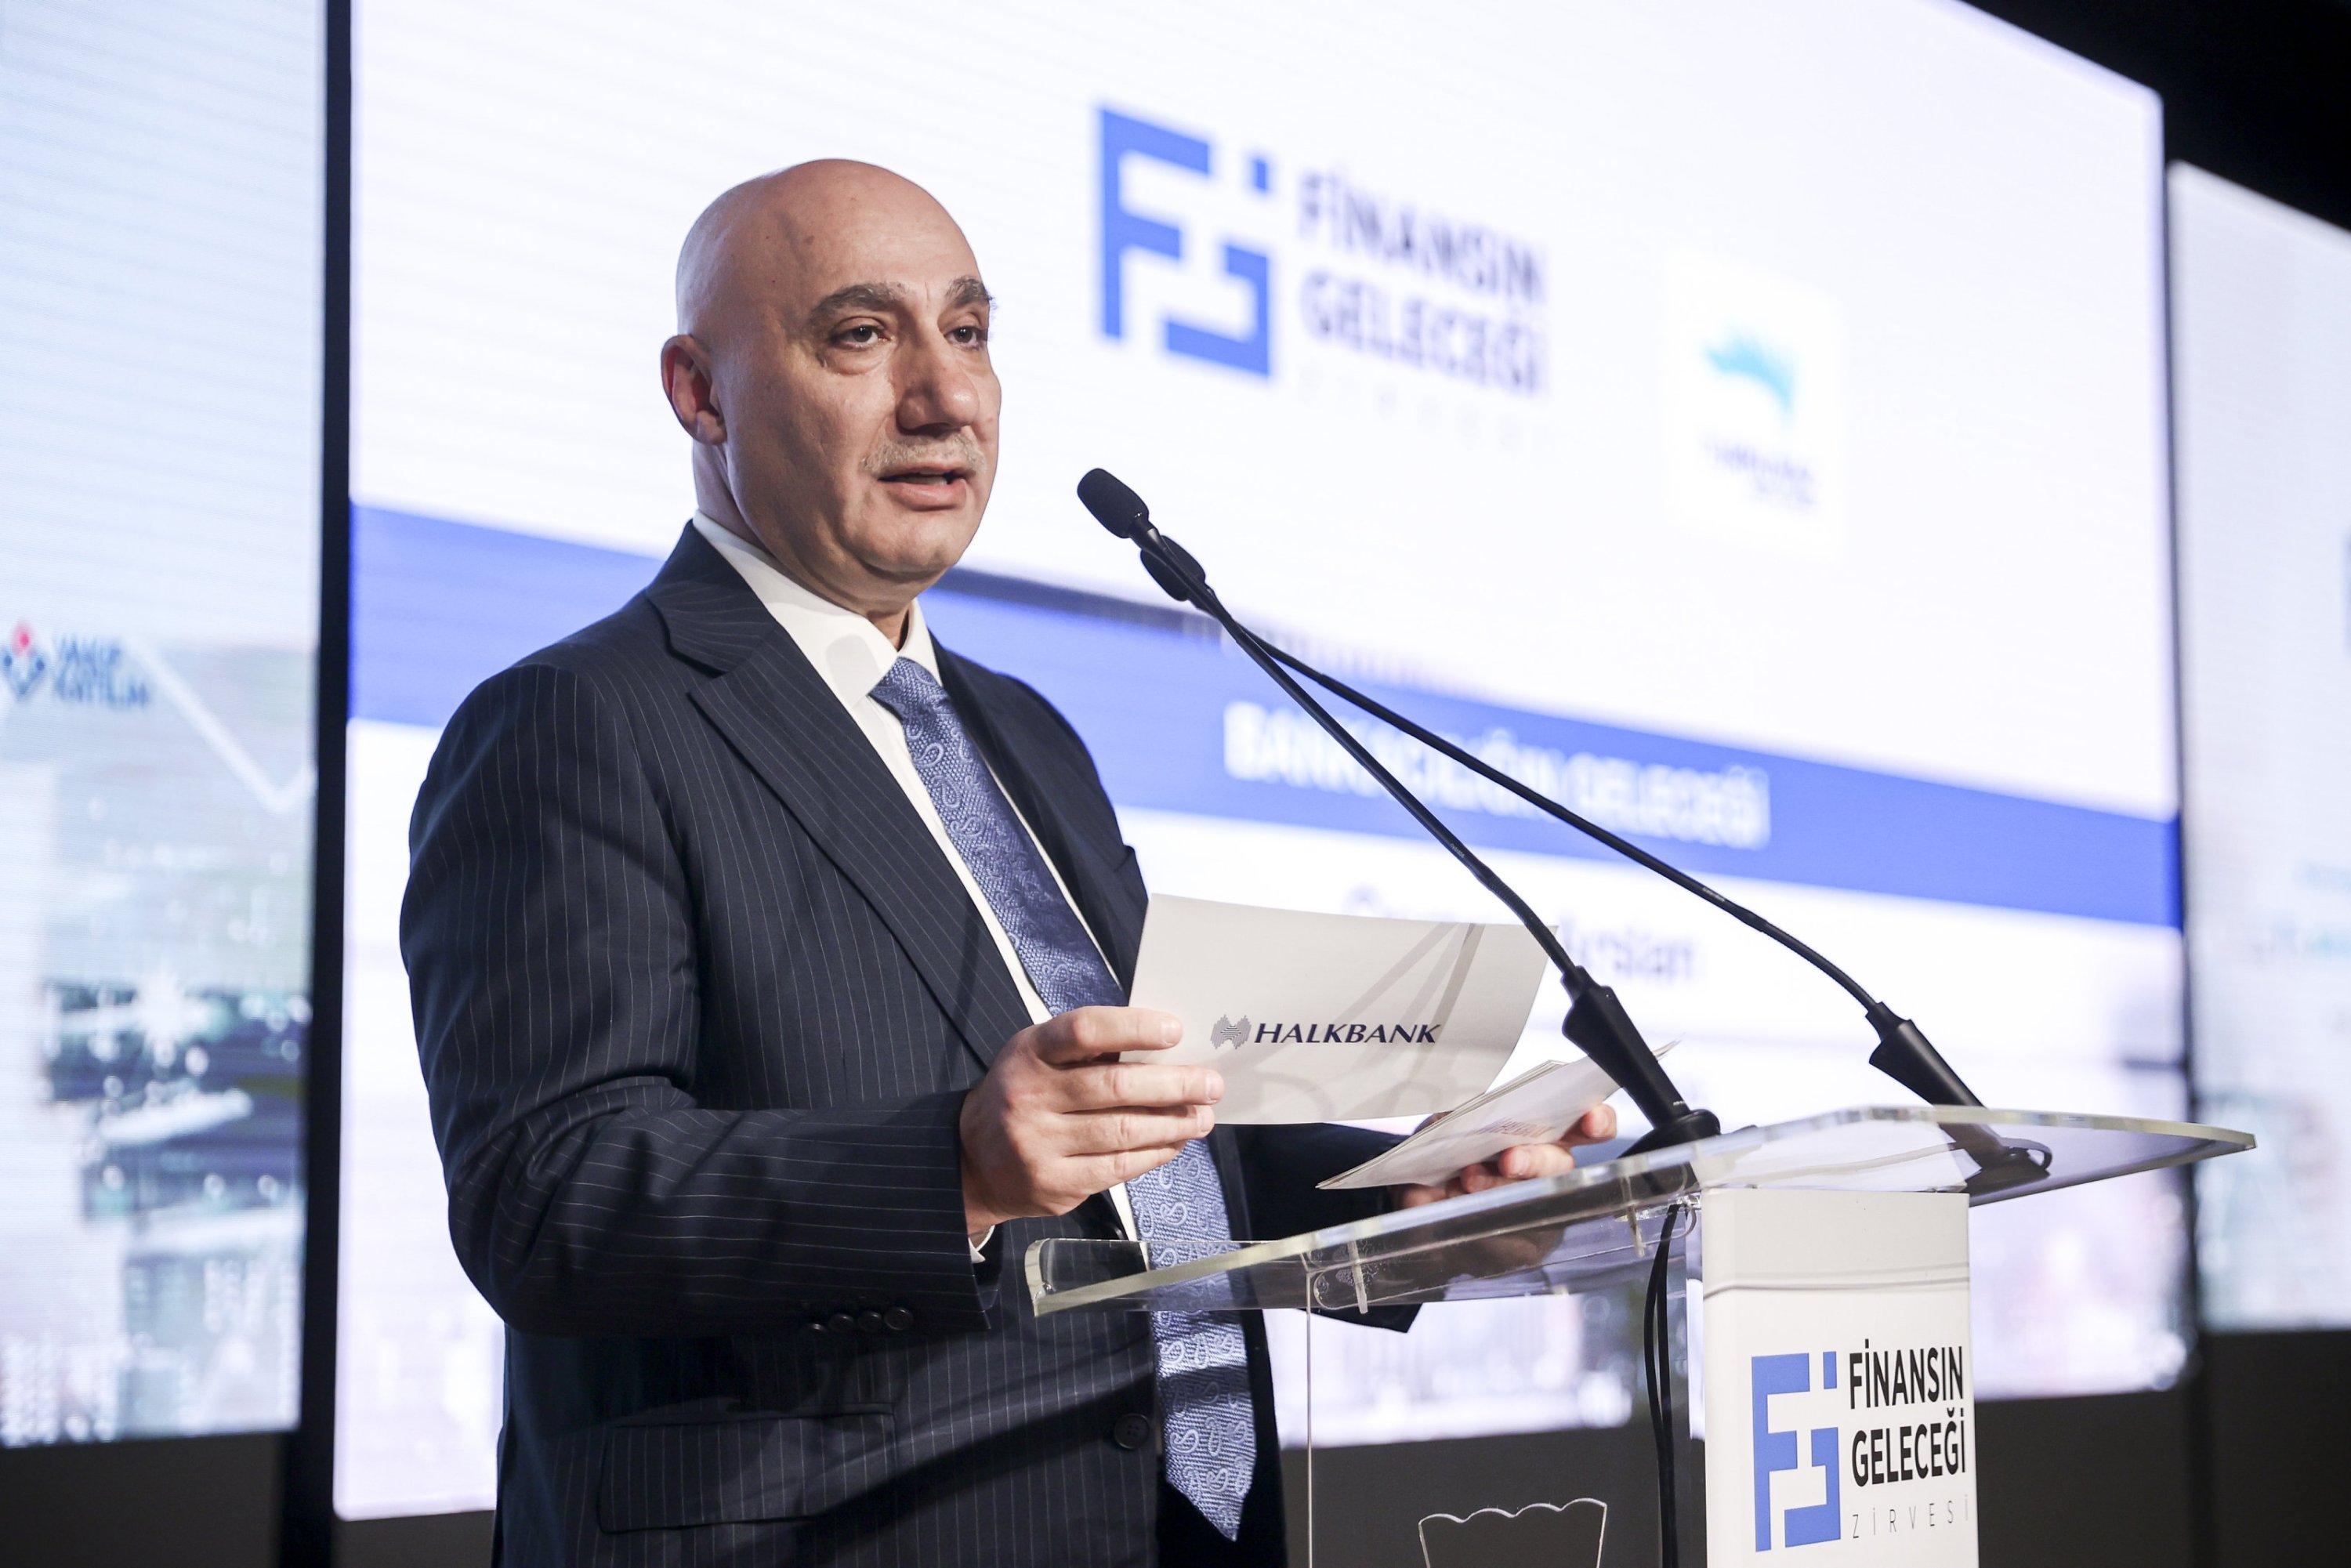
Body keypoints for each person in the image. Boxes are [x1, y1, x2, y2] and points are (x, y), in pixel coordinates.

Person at [403, 159, 1615, 1568]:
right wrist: (953, 1168)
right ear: (700, 391)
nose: (946, 396)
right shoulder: (580, 720)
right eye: (863, 336)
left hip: (1173, 1528)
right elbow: (545, 1196)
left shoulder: (1026, 733)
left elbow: (1147, 1143)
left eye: (969, 333)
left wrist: (1417, 1204)